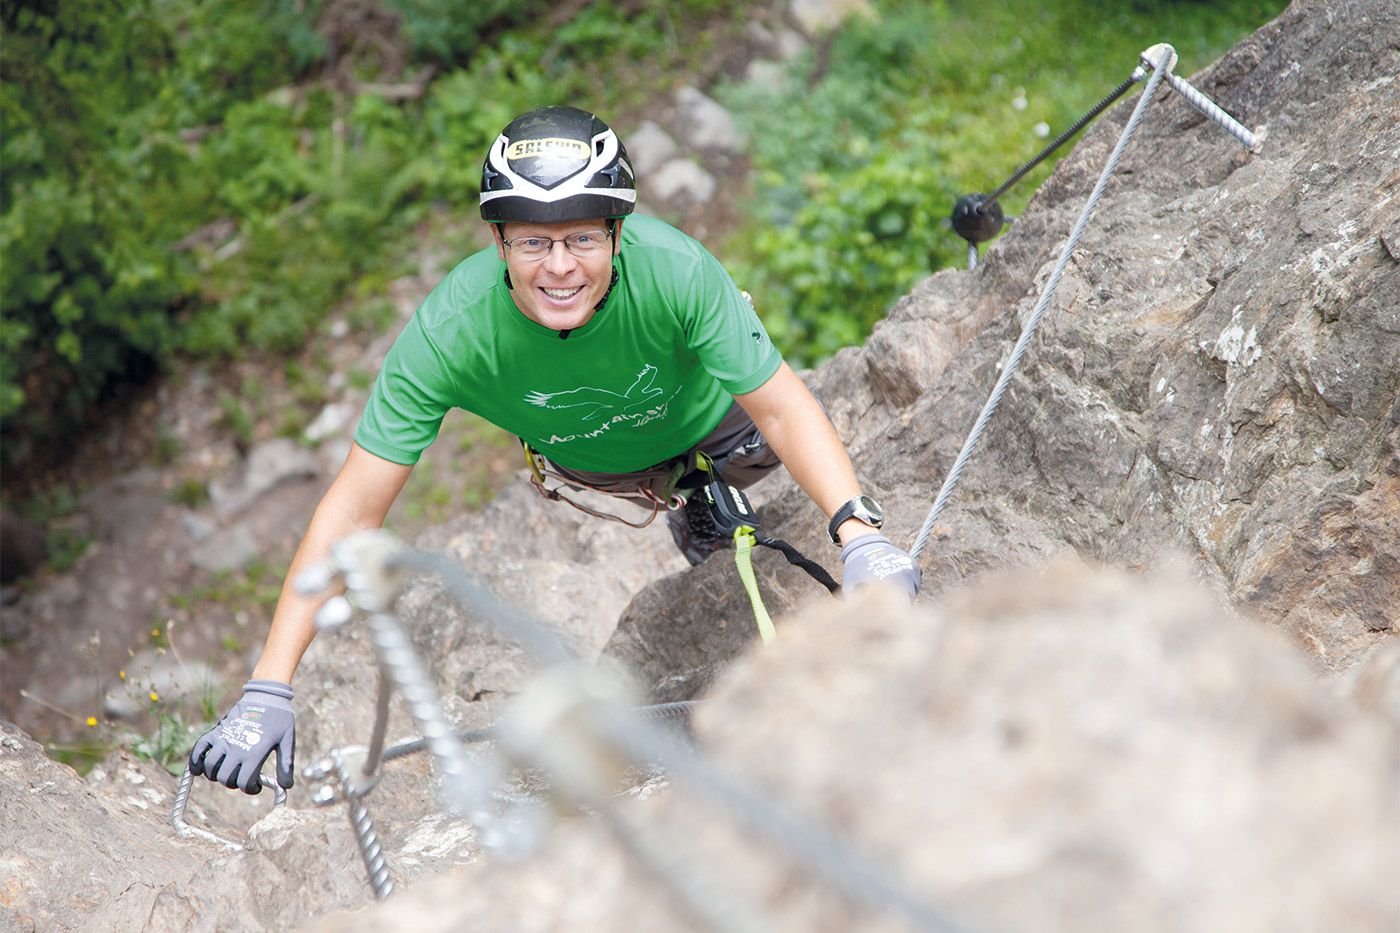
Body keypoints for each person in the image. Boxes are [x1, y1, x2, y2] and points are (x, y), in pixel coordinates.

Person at [188, 106, 920, 796]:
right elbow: (352, 509)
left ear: (618, 235)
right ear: (499, 243)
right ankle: (688, 501)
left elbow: (783, 406)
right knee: (681, 481)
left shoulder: (675, 269)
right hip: (602, 466)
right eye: (534, 242)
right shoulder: (451, 333)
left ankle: (705, 497)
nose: (560, 267)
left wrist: (860, 535)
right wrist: (268, 687)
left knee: (761, 444)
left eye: (582, 239)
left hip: (727, 428)